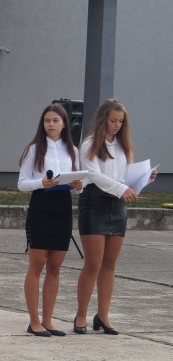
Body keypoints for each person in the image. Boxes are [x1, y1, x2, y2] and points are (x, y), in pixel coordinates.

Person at [74, 99, 156, 335]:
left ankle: (103, 316)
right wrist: (122, 189)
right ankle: (81, 315)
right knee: (93, 263)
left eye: (121, 121)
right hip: (95, 203)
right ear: (103, 120)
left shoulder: (123, 145)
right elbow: (95, 176)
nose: (117, 125)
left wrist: (145, 177)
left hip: (117, 206)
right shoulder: (89, 144)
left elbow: (124, 176)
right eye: (113, 120)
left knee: (109, 264)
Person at [17, 104, 83, 337]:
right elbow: (22, 183)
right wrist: (41, 183)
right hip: (41, 206)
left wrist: (78, 186)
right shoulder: (34, 149)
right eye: (47, 121)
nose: (51, 124)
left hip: (62, 208)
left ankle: (48, 320)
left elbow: (77, 184)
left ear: (64, 124)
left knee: (55, 267)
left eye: (55, 120)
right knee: (36, 266)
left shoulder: (72, 150)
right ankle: (34, 321)